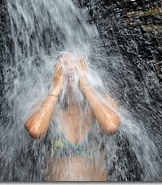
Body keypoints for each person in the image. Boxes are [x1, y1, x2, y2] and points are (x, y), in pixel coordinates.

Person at [24, 52, 121, 181]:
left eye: (76, 63)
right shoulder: (45, 106)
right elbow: (35, 130)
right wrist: (56, 87)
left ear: (85, 68)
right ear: (56, 71)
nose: (71, 68)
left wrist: (85, 85)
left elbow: (111, 126)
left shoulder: (104, 102)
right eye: (64, 64)